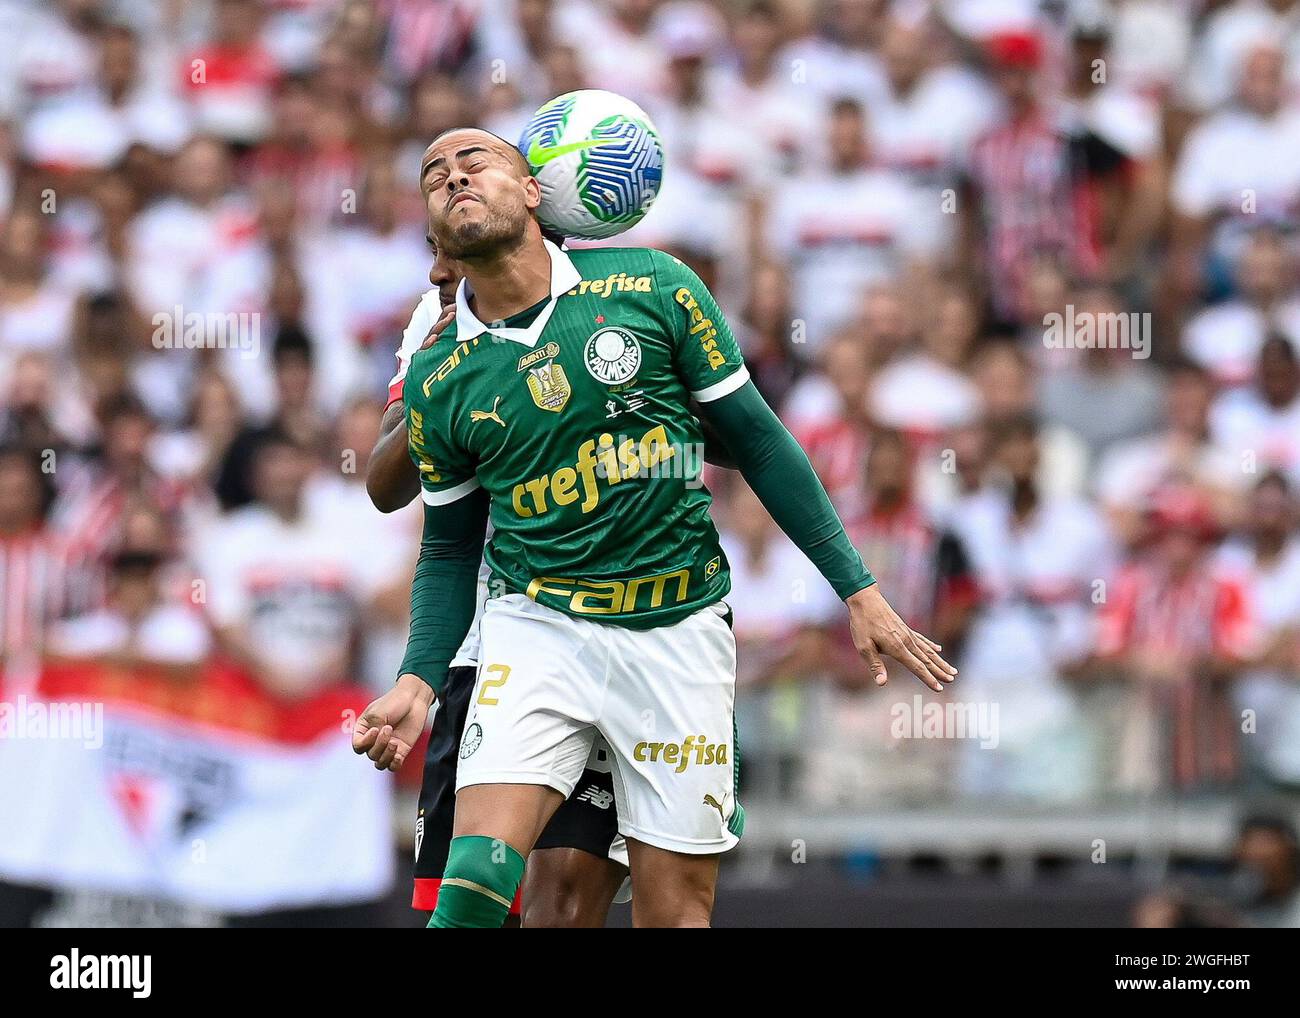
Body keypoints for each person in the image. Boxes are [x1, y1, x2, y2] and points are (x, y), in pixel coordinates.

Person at [353, 128, 954, 928]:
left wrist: (859, 589)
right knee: (476, 879)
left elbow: (763, 441)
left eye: (477, 162)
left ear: (536, 191)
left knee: (672, 916)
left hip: (678, 632)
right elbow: (450, 545)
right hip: (538, 627)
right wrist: (418, 679)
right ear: (434, 238)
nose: (455, 175)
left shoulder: (653, 284)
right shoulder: (437, 369)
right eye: (435, 174)